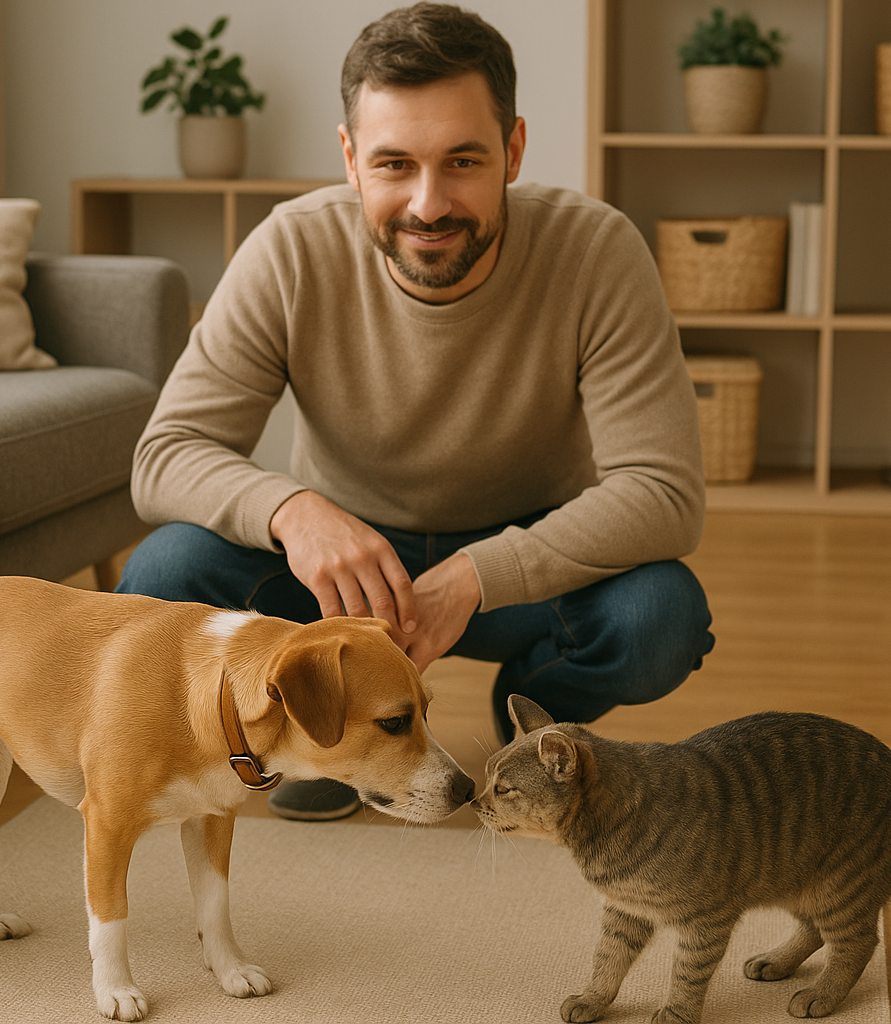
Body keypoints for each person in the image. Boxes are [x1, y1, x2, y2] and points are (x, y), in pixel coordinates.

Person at [119, 2, 715, 821]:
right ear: (350, 158)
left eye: (462, 161)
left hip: (524, 564)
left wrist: (478, 575)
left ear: (513, 151)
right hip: (341, 575)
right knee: (162, 572)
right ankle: (321, 724)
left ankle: (531, 704)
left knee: (661, 616)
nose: (429, 205)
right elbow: (165, 455)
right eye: (394, 164)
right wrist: (295, 512)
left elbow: (665, 492)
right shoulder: (290, 248)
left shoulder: (597, 251)